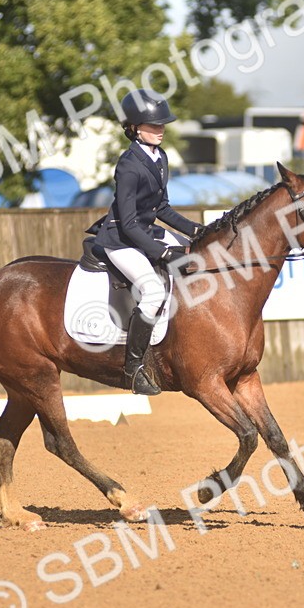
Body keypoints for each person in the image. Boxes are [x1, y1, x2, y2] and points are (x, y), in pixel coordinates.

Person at [92, 89, 203, 396]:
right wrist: (163, 252)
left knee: (198, 257)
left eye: (162, 125)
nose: (161, 130)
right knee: (153, 292)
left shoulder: (160, 157)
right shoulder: (128, 165)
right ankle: (133, 368)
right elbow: (127, 223)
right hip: (121, 240)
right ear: (135, 128)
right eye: (154, 125)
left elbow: (162, 209)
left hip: (146, 231)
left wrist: (197, 231)